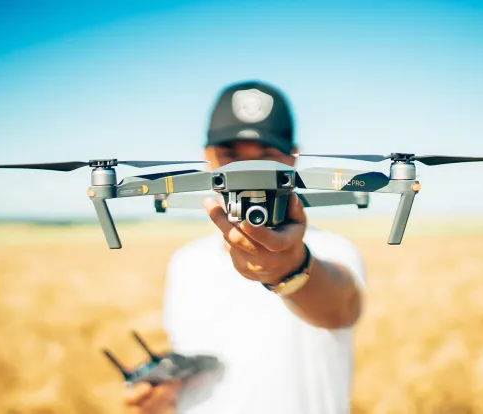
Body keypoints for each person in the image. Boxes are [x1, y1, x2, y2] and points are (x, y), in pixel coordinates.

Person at [123, 80, 367, 414]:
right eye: (231, 156)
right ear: (206, 158)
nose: (248, 173)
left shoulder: (334, 249)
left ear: (293, 159)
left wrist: (293, 267)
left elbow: (340, 308)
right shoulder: (186, 263)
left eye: (267, 158)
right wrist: (161, 395)